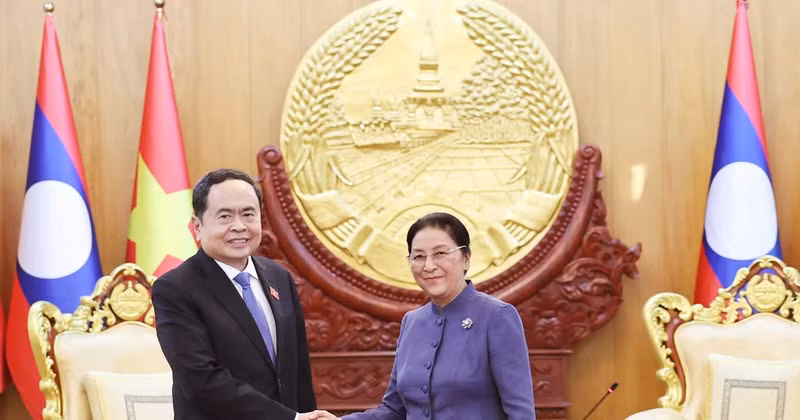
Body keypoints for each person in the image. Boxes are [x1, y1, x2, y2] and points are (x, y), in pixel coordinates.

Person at [313, 212, 536, 420]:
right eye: (418, 256)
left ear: (466, 258)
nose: (428, 266)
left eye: (440, 253)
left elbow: (520, 413)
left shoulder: (497, 316)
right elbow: (394, 410)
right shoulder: (412, 322)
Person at [153, 168, 333, 420]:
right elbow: (202, 382)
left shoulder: (279, 277)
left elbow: (297, 371)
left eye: (248, 214)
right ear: (197, 226)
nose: (238, 226)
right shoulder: (175, 288)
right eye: (225, 216)